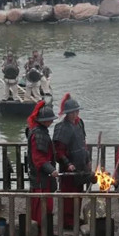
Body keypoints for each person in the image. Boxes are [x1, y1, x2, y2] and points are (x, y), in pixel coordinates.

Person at [53, 93, 94, 228]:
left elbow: (83, 144)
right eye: (72, 112)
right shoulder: (61, 128)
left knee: (78, 193)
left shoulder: (80, 124)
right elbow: (58, 151)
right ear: (67, 113)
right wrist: (68, 164)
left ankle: (76, 217)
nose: (75, 114)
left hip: (81, 165)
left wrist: (88, 160)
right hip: (69, 168)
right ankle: (67, 221)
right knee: (69, 196)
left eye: (76, 111)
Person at [26, 100, 59, 229]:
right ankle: (40, 232)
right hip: (40, 178)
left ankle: (44, 231)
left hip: (44, 177)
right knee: (42, 206)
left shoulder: (41, 131)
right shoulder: (38, 134)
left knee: (46, 205)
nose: (51, 122)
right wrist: (51, 170)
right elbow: (38, 159)